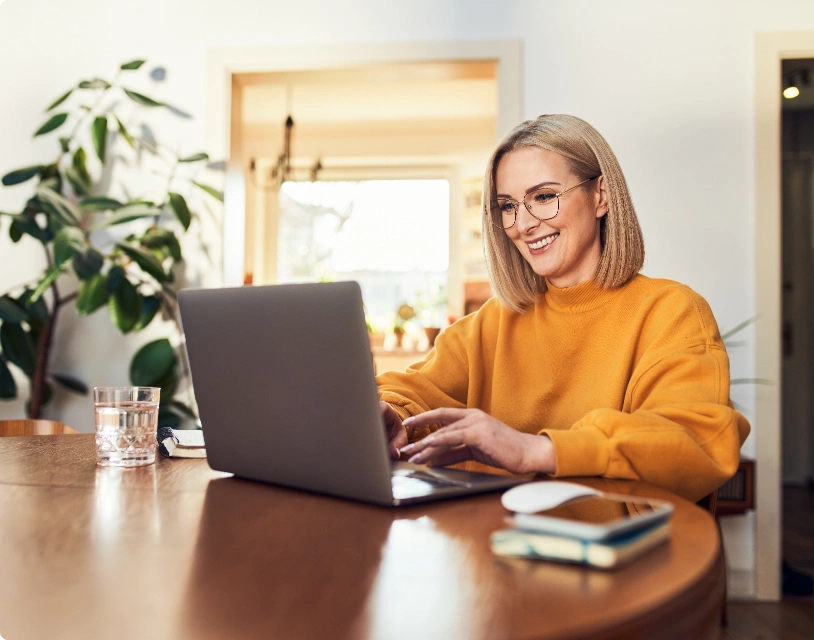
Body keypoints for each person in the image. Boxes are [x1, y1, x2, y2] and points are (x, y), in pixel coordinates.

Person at [377, 114, 750, 502]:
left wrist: (536, 450)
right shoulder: (493, 323)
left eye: (543, 197)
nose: (522, 224)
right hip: (496, 552)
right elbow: (411, 389)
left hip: (615, 558)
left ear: (600, 196)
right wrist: (390, 414)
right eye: (508, 206)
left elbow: (697, 441)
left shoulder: (671, 312)